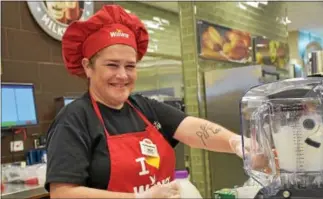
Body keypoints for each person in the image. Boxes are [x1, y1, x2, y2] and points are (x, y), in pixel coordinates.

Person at [45, 4, 251, 199]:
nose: (122, 75)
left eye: (130, 66)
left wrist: (237, 143)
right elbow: (63, 193)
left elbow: (193, 129)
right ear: (88, 67)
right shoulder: (74, 119)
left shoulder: (143, 107)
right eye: (112, 65)